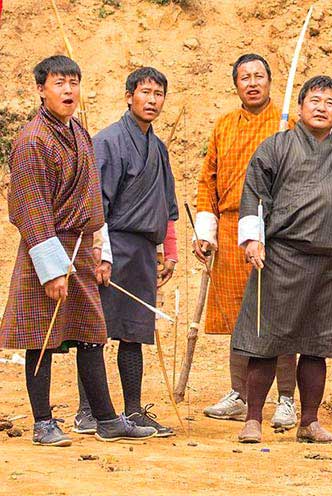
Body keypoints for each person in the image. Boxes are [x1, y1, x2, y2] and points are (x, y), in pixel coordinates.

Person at [0, 55, 156, 446]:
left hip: (81, 247)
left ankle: (104, 418)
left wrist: (100, 252)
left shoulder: (79, 133)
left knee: (91, 332)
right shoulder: (33, 140)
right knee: (43, 334)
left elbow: (91, 199)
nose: (68, 90)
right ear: (41, 90)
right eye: (58, 83)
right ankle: (42, 421)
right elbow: (30, 207)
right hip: (47, 248)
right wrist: (51, 268)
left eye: (73, 82)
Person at [233, 75, 332, 444]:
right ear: (300, 106)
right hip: (281, 258)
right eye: (315, 100)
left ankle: (309, 422)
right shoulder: (276, 147)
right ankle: (253, 420)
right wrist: (253, 240)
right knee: (266, 342)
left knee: (318, 346)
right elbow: (255, 196)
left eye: (330, 102)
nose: (322, 107)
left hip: (330, 265)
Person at [71, 67, 179, 437]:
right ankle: (89, 411)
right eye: (145, 92)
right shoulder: (108, 142)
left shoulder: (159, 149)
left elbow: (166, 204)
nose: (152, 100)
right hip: (111, 246)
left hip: (144, 253)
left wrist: (169, 250)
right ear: (129, 95)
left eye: (158, 94)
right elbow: (94, 204)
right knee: (96, 331)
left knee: (134, 332)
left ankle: (132, 411)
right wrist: (99, 253)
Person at [194, 54, 297, 428]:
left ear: (271, 81)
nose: (252, 83)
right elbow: (208, 180)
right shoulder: (224, 125)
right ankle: (239, 394)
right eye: (244, 77)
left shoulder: (289, 123)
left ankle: (286, 399)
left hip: (277, 230)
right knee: (240, 318)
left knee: (278, 316)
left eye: (259, 76)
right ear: (235, 84)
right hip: (230, 227)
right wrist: (205, 232)